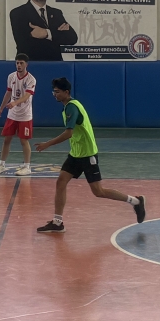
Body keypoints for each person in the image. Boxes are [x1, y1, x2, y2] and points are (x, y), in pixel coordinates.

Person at [35, 78, 146, 233]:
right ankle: (57, 222)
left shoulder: (72, 108)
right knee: (61, 182)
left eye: (57, 92)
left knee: (98, 191)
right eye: (53, 91)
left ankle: (136, 201)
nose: (54, 94)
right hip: (76, 154)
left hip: (87, 155)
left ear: (66, 92)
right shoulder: (67, 107)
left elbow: (69, 133)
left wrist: (47, 144)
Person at [9, 0, 78, 61]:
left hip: (56, 65)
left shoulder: (56, 13)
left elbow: (72, 38)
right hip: (31, 65)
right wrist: (57, 34)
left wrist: (46, 33)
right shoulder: (18, 13)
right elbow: (24, 43)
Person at [0, 53, 36, 177]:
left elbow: (27, 95)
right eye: (17, 63)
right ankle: (1, 165)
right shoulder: (11, 76)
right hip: (12, 114)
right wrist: (1, 108)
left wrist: (15, 103)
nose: (19, 65)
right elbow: (8, 93)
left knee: (23, 140)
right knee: (7, 139)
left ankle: (27, 166)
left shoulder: (31, 79)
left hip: (25, 115)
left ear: (26, 64)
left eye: (21, 63)